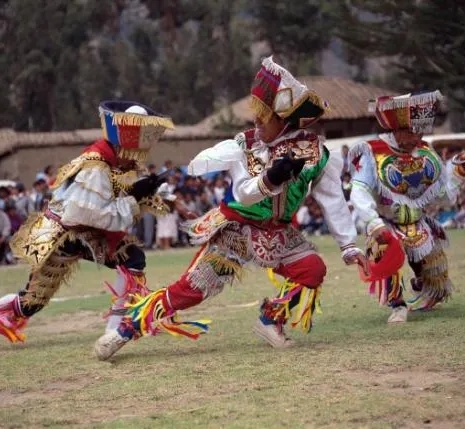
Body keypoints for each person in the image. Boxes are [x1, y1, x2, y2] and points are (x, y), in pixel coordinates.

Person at [94, 58, 364, 361]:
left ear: (284, 120)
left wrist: (349, 244)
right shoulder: (244, 147)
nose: (256, 123)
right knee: (189, 292)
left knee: (312, 269)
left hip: (278, 234)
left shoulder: (316, 153)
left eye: (264, 117)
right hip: (234, 232)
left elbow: (332, 199)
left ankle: (270, 320)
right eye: (256, 116)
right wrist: (268, 176)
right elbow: (238, 191)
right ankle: (126, 330)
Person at [0, 100, 175, 355]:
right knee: (31, 302)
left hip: (91, 234)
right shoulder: (95, 165)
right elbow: (94, 214)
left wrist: (148, 191)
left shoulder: (123, 161)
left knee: (133, 259)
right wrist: (134, 198)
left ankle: (114, 331)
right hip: (63, 235)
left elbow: (114, 199)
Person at [349, 90, 465, 323]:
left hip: (417, 221)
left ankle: (424, 291)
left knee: (433, 264)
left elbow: (440, 194)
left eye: (420, 130)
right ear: (396, 129)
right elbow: (359, 190)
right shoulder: (373, 152)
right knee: (386, 251)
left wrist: (459, 172)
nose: (417, 136)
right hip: (386, 222)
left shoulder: (425, 152)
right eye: (411, 131)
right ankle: (397, 304)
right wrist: (373, 222)